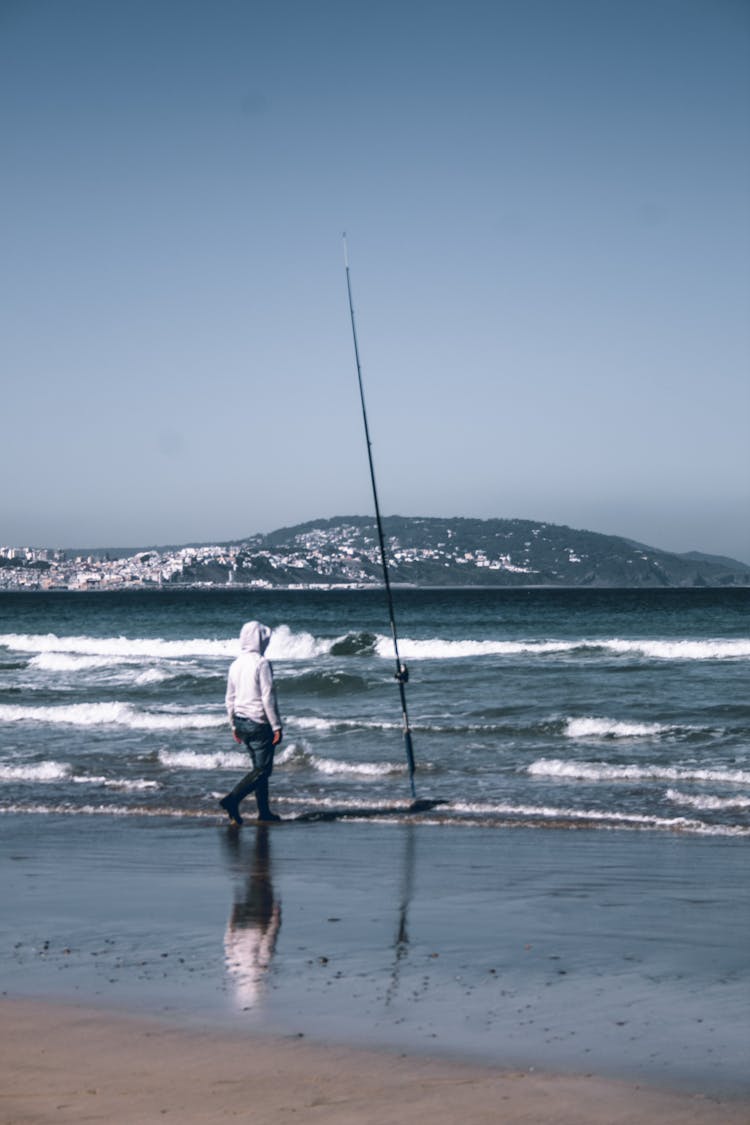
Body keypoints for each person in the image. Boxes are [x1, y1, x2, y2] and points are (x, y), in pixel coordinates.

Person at [220, 620, 283, 825]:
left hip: (241, 721)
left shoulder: (236, 664)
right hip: (258, 722)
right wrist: (276, 726)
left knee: (258, 769)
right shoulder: (261, 663)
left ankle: (263, 812)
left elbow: (230, 698)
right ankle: (232, 800)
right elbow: (267, 697)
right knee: (263, 770)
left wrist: (233, 725)